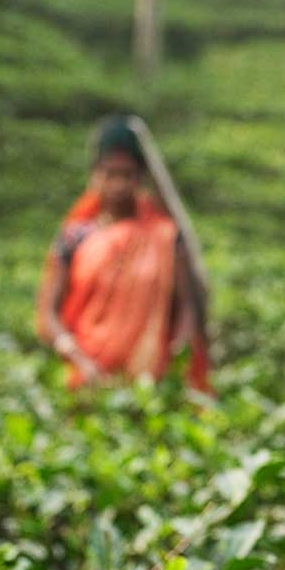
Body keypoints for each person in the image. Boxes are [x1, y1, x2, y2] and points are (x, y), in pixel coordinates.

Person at [35, 116, 211, 392]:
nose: (118, 184)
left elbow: (187, 305)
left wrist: (177, 357)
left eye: (126, 175)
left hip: (150, 381)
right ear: (95, 176)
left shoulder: (165, 236)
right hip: (84, 376)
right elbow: (48, 313)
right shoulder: (75, 236)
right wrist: (76, 357)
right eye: (109, 174)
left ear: (140, 177)